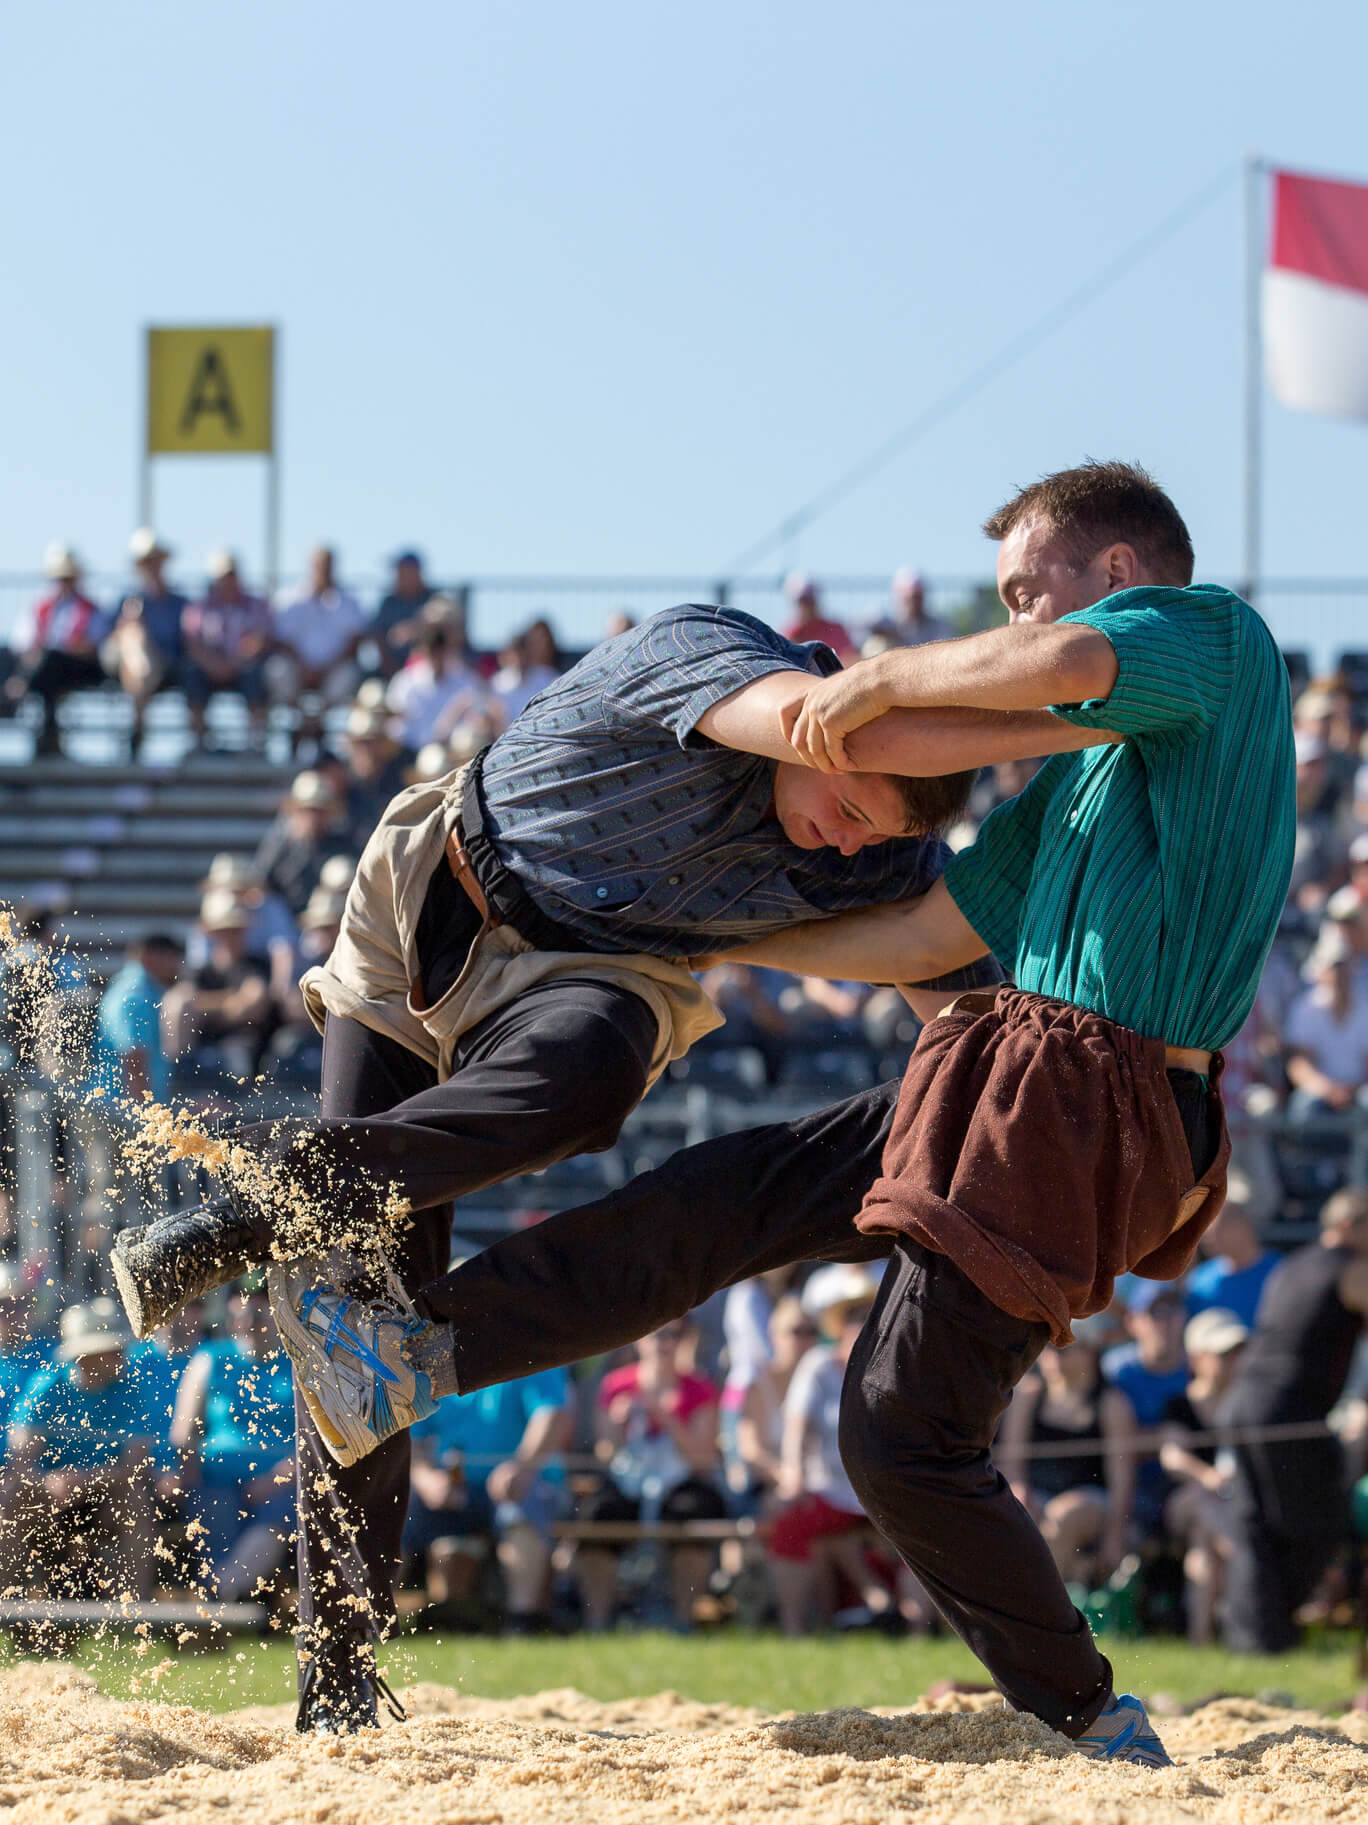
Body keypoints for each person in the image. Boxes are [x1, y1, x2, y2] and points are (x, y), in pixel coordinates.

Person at [258, 461, 1293, 1767]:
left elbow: (1065, 661)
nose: (1018, 614)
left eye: (1029, 587)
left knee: (898, 1433)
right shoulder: (1078, 787)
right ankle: (406, 1356)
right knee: (725, 1195)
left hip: (1094, 1097)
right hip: (1017, 1071)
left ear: (1123, 571)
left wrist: (869, 686)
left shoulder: (1217, 638)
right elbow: (927, 930)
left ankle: (1091, 1715)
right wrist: (718, 939)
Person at [112, 598, 988, 1729]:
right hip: (430, 898)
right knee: (364, 1312)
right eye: (850, 805)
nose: (853, 841)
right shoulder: (706, 652)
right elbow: (798, 713)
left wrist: (1042, 1115)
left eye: (879, 833)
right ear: (823, 737)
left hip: (594, 974)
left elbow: (954, 1008)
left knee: (582, 1083)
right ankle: (335, 1686)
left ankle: (252, 1210)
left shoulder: (882, 846)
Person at [1220, 1186, 1368, 1653]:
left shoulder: (1290, 1266)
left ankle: (1254, 1642)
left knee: (1252, 1524)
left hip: (1244, 1402)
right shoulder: (1350, 1268)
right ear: (1348, 1227)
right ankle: (1276, 1633)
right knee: (1318, 1521)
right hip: (1286, 1410)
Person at [1, 1298, 166, 1598]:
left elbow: (135, 1469)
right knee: (9, 1499)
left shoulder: (131, 1392)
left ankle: (132, 1613)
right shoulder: (46, 1390)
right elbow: (20, 1462)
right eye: (112, 1350)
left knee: (136, 1505)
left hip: (105, 1496)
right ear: (84, 1356)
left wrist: (85, 1480)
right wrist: (49, 1483)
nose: (122, 1356)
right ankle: (8, 1604)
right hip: (48, 1498)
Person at [576, 1321, 724, 1631]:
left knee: (693, 1514)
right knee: (595, 1516)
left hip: (680, 1481)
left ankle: (684, 1619)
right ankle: (597, 1620)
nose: (664, 1343)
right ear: (639, 1341)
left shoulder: (699, 1388)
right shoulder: (616, 1386)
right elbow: (607, 1455)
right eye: (657, 1334)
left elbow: (704, 1458)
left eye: (673, 1335)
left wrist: (668, 1420)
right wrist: (618, 1426)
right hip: (628, 1481)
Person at [403, 1362, 571, 1631]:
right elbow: (414, 1438)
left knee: (517, 1515)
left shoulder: (532, 1352)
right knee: (394, 1515)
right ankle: (371, 1620)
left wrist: (521, 1466)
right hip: (451, 1493)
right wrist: (427, 1480)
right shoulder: (436, 1362)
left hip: (521, 1486)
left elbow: (552, 1416)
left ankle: (523, 1621)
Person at [171, 1278, 295, 1599]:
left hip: (283, 1481)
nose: (248, 1325)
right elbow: (184, 1434)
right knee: (213, 1509)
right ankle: (224, 1600)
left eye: (258, 1315)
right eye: (240, 1316)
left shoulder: (297, 1362)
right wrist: (189, 1477)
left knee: (281, 1513)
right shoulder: (211, 1359)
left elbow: (314, 1439)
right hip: (216, 1479)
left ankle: (221, 1596)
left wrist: (278, 1477)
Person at [1158, 1307, 1246, 1645]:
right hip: (1185, 1504)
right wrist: (1209, 1477)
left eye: (1239, 1352)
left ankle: (1202, 1638)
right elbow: (1173, 1457)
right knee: (1206, 1507)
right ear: (1198, 1358)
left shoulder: (1244, 1406)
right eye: (1225, 1354)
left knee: (1204, 1547)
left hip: (1220, 1512)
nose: (1235, 1361)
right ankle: (1241, 1562)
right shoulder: (1179, 1405)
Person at [5, 544, 107, 756]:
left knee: (49, 662)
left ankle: (15, 695)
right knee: (29, 663)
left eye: (68, 578)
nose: (64, 583)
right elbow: (22, 643)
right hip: (41, 668)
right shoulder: (40, 608)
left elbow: (93, 645)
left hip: (77, 668)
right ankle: (45, 734)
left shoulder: (90, 609)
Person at [271, 547, 369, 755]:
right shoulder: (289, 598)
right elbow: (281, 640)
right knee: (277, 670)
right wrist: (303, 666)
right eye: (319, 565)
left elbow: (354, 641)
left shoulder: (348, 602)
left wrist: (326, 668)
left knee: (348, 674)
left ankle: (312, 725)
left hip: (332, 670)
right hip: (298, 669)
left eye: (328, 565)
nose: (324, 571)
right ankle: (303, 722)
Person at [102, 530, 188, 758]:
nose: (151, 567)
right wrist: (129, 625)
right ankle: (138, 717)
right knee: (133, 635)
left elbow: (182, 640)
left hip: (161, 665)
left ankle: (137, 724)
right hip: (126, 663)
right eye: (146, 562)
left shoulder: (178, 603)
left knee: (139, 651)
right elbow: (106, 638)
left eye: (155, 561)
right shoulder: (126, 601)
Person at [181, 552, 275, 751]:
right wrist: (214, 665)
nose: (228, 581)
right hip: (208, 667)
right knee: (191, 674)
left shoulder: (255, 605)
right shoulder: (200, 608)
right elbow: (193, 644)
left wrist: (234, 663)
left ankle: (255, 744)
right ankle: (198, 741)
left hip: (243, 666)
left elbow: (259, 639)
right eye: (223, 577)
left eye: (231, 575)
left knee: (256, 675)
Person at [90, 934, 182, 1105]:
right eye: (173, 959)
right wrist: (144, 1115)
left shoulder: (134, 990)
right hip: (120, 1111)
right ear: (151, 958)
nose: (177, 967)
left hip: (116, 1107)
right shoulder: (136, 996)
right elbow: (134, 1057)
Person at [1184, 1195, 1281, 1329]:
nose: (1206, 1237)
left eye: (1215, 1226)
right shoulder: (1199, 1280)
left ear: (1242, 1226)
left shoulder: (1280, 1273)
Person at [372, 550, 434, 677]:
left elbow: (445, 619)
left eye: (404, 571)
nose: (398, 575)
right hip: (390, 672)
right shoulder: (389, 603)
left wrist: (414, 628)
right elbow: (376, 635)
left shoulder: (432, 599)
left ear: (416, 572)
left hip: (427, 674)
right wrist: (390, 667)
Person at [780, 574, 856, 664]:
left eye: (810, 599)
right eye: (803, 600)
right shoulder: (789, 635)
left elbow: (850, 658)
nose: (807, 605)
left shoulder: (836, 629)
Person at [888, 568, 956, 648]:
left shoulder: (939, 627)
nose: (913, 603)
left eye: (917, 597)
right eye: (909, 598)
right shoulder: (888, 626)